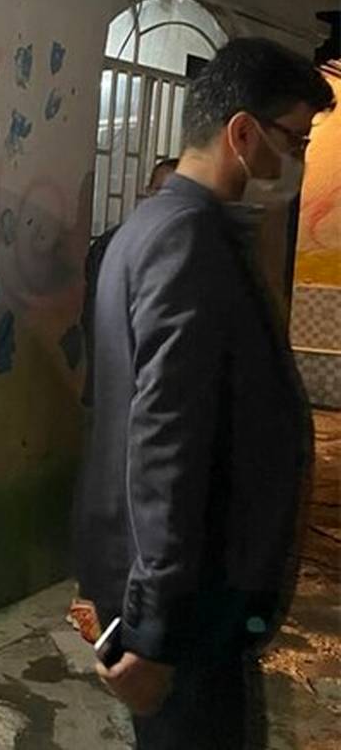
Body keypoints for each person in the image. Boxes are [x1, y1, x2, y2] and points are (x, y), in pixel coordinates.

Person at [74, 37, 333, 749]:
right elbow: (165, 440)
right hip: (188, 603)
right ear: (243, 134)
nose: (298, 160)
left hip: (175, 588)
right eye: (296, 140)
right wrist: (155, 629)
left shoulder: (150, 228)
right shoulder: (188, 241)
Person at [80, 158, 178, 407]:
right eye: (159, 191)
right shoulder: (112, 244)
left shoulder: (188, 249)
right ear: (148, 193)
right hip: (119, 384)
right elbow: (95, 318)